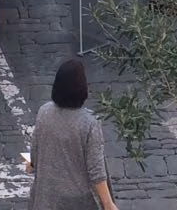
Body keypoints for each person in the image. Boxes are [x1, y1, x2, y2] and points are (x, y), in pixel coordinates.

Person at [28, 58, 118, 210]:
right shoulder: (90, 123)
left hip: (46, 198)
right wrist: (108, 204)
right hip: (78, 202)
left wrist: (31, 164)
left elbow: (35, 152)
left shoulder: (44, 112)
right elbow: (96, 170)